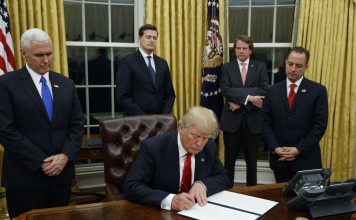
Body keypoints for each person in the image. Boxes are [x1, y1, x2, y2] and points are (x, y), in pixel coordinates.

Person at [0, 28, 85, 218]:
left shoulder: (66, 84)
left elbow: (78, 124)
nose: (46, 60)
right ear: (23, 53)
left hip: (60, 177)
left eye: (49, 53)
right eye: (39, 55)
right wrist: (41, 162)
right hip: (25, 177)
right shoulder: (6, 84)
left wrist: (64, 156)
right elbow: (5, 130)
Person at [123, 106, 230, 211]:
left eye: (205, 138)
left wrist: (202, 185)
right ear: (181, 127)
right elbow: (131, 187)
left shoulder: (209, 148)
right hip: (160, 213)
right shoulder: (154, 148)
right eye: (195, 136)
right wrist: (170, 200)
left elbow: (224, 177)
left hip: (196, 211)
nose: (200, 144)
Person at [262, 46, 328, 183]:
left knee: (307, 203)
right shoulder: (272, 91)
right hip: (279, 160)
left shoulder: (318, 91)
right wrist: (276, 148)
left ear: (306, 67)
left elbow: (319, 126)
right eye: (290, 64)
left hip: (306, 160)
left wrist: (298, 149)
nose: (293, 69)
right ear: (285, 63)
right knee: (283, 202)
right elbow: (266, 123)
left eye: (298, 66)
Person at [220, 35, 269, 186]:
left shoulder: (259, 67)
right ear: (234, 50)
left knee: (252, 161)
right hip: (231, 121)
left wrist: (241, 103)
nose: (241, 51)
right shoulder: (227, 67)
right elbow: (226, 90)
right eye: (238, 48)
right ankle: (228, 193)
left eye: (244, 48)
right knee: (229, 161)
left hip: (252, 120)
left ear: (250, 51)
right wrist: (249, 98)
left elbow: (263, 90)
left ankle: (251, 194)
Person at [116, 24, 176, 116]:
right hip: (136, 121)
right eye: (148, 37)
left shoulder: (162, 63)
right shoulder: (127, 62)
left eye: (155, 38)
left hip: (160, 121)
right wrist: (144, 118)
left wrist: (163, 116)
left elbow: (170, 94)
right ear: (140, 38)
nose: (152, 40)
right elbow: (123, 97)